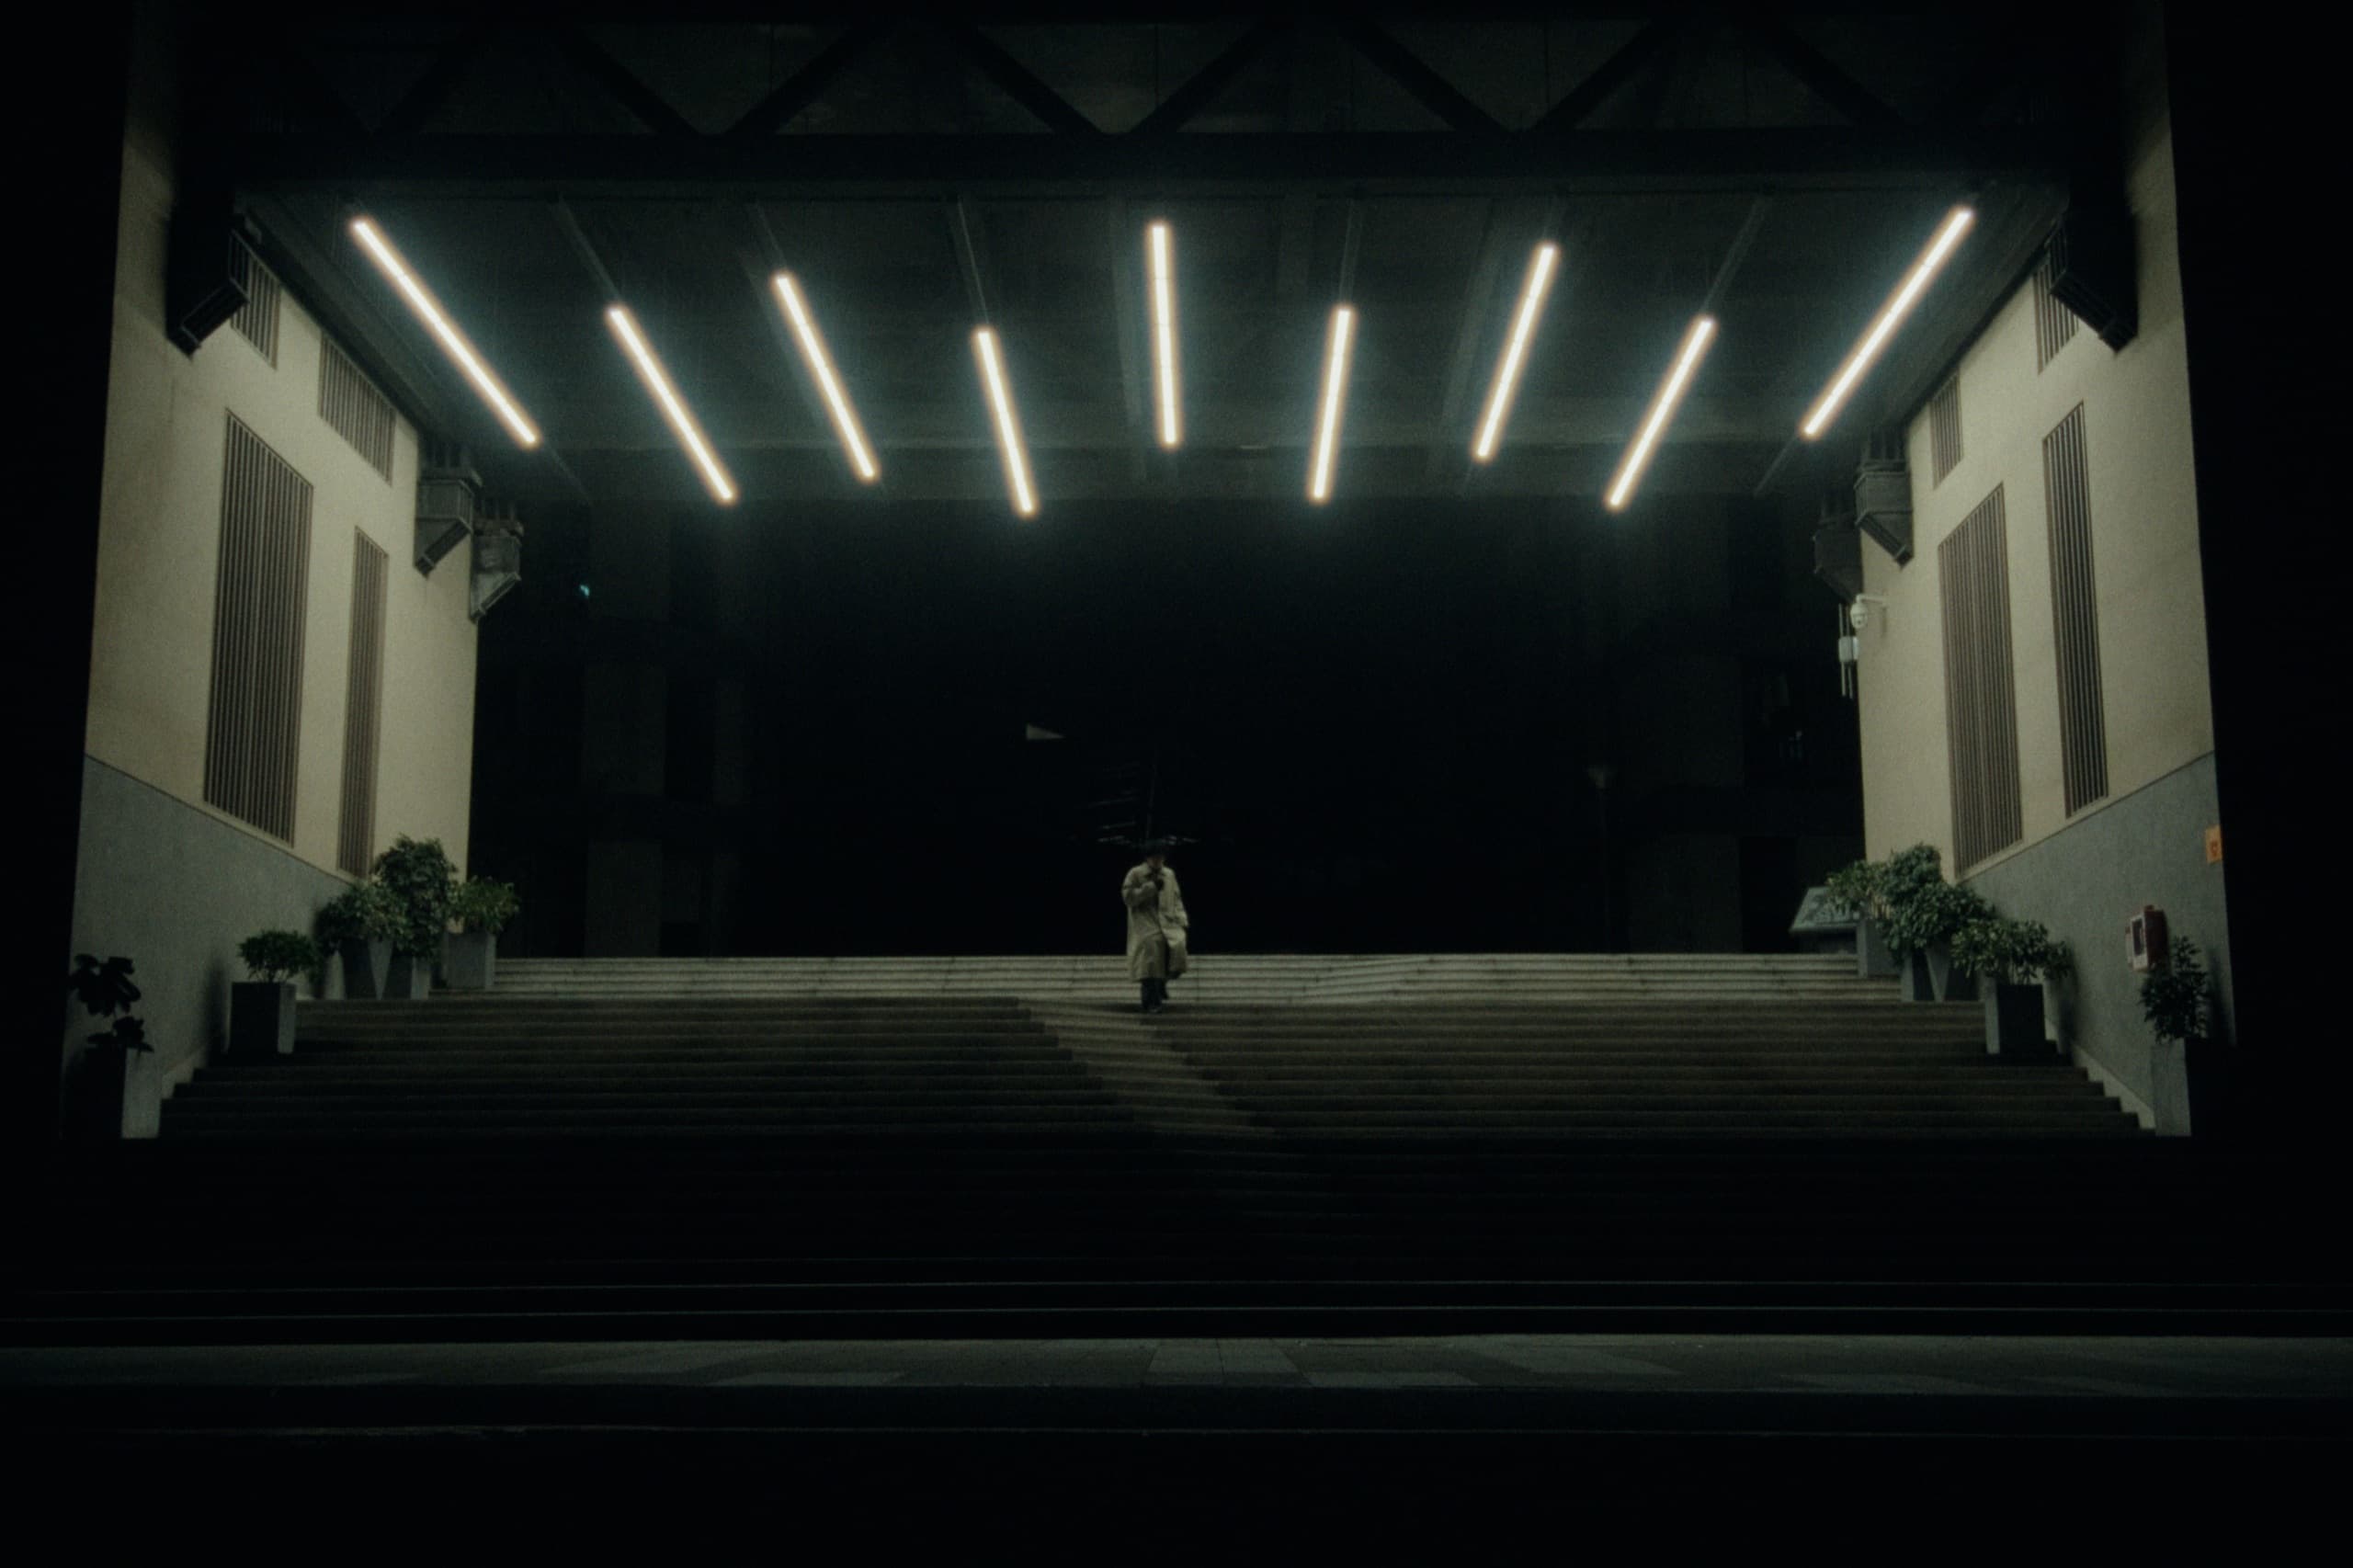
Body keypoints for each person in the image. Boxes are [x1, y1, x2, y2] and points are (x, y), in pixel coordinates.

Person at [1120, 839, 1188, 1015]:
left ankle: (1162, 984)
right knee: (1150, 962)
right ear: (1148, 858)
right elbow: (1128, 898)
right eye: (1155, 858)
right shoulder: (1135, 873)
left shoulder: (1169, 874)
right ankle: (1151, 1000)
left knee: (1177, 950)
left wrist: (1182, 920)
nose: (1158, 861)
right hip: (1145, 923)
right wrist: (1150, 888)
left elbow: (1176, 898)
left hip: (1168, 922)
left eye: (1161, 858)